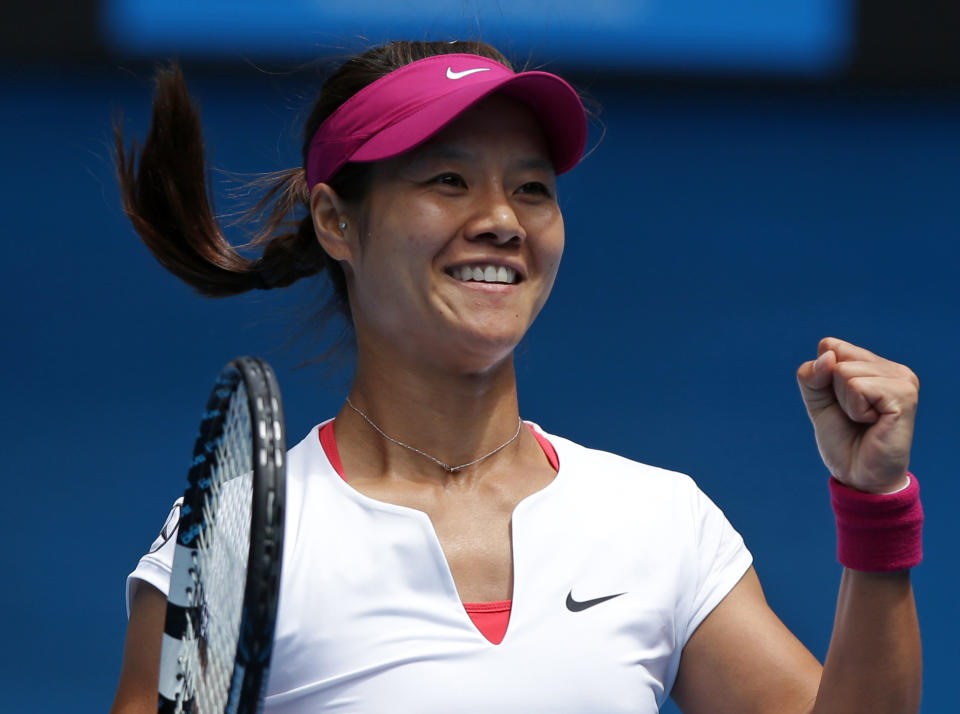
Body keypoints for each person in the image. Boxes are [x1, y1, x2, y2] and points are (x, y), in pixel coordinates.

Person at [110, 40, 923, 713]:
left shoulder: (657, 522)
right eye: (448, 180)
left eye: (531, 188)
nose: (501, 219)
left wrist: (876, 506)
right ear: (336, 222)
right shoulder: (234, 535)